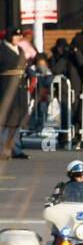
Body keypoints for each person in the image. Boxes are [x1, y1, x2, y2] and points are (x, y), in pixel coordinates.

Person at [1, 25, 31, 159]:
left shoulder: (20, 49)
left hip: (19, 89)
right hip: (5, 88)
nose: (18, 37)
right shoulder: (2, 49)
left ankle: (16, 149)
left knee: (17, 121)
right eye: (15, 35)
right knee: (6, 121)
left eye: (20, 35)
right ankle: (3, 150)